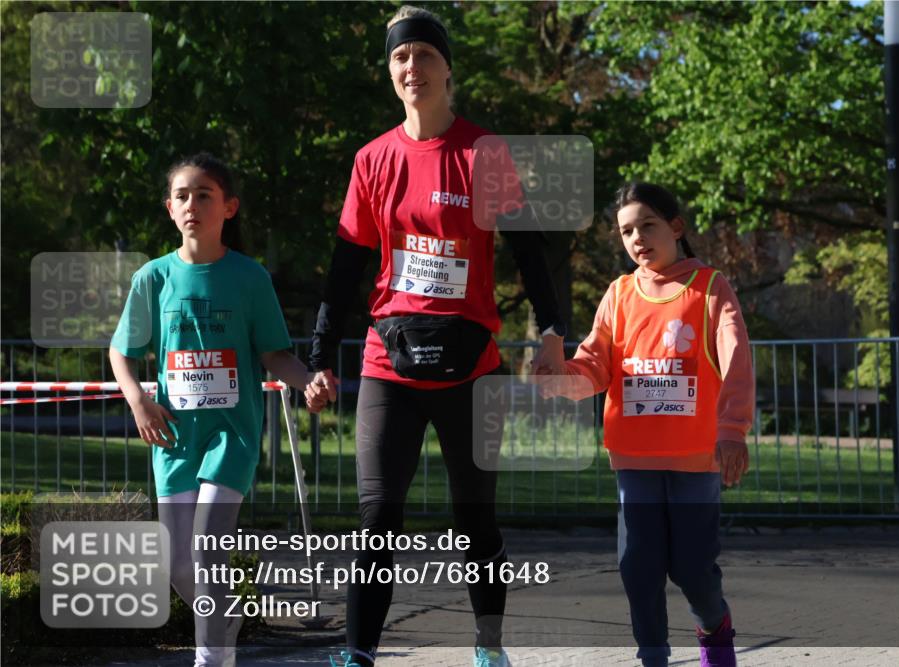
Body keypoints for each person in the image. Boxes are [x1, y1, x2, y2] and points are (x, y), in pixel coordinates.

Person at [304, 6, 567, 667]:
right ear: (389, 72)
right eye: (400, 58)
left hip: (471, 365)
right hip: (387, 363)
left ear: (448, 68)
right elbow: (345, 268)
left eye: (423, 55)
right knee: (376, 514)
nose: (411, 67)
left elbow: (531, 249)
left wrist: (554, 330)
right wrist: (319, 356)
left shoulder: (486, 153)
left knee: (475, 516)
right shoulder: (373, 160)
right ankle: (357, 653)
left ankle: (488, 647)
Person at [109, 152, 324, 667]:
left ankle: (212, 659)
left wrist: (308, 382)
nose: (192, 204)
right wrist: (138, 399)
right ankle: (223, 618)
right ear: (169, 208)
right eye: (182, 196)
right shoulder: (153, 279)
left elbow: (275, 354)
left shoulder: (249, 278)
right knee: (178, 565)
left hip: (233, 434)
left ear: (229, 207)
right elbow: (122, 351)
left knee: (207, 543)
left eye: (204, 195)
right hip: (173, 438)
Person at [535, 182, 753, 667]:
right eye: (627, 231)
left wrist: (732, 430)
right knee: (638, 567)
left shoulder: (712, 287)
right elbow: (593, 366)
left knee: (694, 570)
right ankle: (652, 656)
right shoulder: (618, 294)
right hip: (634, 461)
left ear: (676, 227)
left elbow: (737, 360)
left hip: (697, 460)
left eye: (647, 225)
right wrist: (558, 379)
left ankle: (714, 630)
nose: (637, 238)